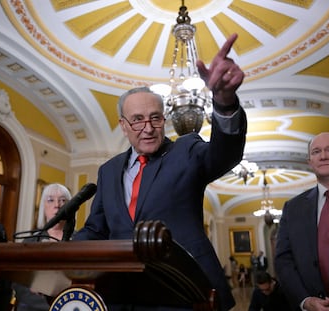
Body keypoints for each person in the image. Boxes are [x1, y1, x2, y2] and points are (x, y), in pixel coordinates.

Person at [73, 33, 247, 311]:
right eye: (138, 120)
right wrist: (60, 249)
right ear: (123, 125)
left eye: (155, 117)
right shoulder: (109, 170)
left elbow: (224, 154)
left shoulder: (186, 150)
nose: (148, 127)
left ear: (164, 120)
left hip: (183, 289)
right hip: (122, 292)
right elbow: (96, 229)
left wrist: (224, 102)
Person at [275, 132, 329, 311]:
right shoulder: (293, 207)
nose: (323, 156)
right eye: (316, 152)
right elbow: (283, 260)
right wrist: (304, 300)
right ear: (310, 162)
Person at [13, 183, 72, 311]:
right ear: (43, 207)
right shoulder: (30, 242)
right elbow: (19, 285)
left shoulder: (80, 240)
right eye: (50, 200)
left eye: (63, 200)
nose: (57, 205)